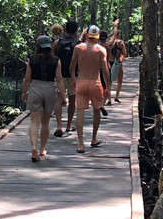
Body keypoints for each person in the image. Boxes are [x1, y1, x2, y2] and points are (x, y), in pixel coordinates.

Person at [21, 34, 66, 162]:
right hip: (49, 90)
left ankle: (33, 147)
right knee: (45, 122)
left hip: (35, 88)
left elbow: (27, 78)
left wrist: (24, 91)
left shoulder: (32, 59)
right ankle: (41, 149)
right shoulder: (56, 60)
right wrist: (64, 96)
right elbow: (59, 80)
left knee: (34, 122)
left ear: (38, 46)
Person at [69, 24, 109, 153]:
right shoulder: (101, 50)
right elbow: (105, 70)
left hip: (81, 82)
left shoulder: (78, 48)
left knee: (80, 112)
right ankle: (93, 138)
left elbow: (72, 67)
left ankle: (81, 144)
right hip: (95, 83)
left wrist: (74, 79)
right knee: (96, 110)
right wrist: (107, 87)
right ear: (97, 37)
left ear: (86, 35)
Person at [54, 21, 80, 136]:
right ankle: (69, 125)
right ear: (76, 31)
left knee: (59, 99)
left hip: (59, 75)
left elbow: (52, 58)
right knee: (72, 99)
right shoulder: (78, 44)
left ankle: (59, 125)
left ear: (65, 29)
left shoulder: (57, 42)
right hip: (73, 75)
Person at [108, 19, 128, 102]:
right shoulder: (121, 42)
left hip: (110, 62)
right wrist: (121, 58)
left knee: (109, 81)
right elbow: (125, 53)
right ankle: (116, 97)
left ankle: (109, 98)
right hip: (118, 62)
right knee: (119, 80)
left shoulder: (109, 43)